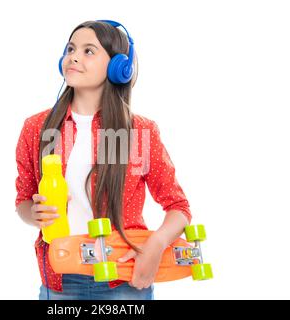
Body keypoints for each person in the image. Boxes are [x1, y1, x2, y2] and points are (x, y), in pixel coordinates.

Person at [15, 20, 192, 300]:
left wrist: (156, 245)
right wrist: (32, 213)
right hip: (60, 278)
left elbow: (178, 207)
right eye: (70, 48)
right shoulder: (37, 128)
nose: (73, 56)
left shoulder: (140, 132)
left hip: (124, 278)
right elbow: (23, 201)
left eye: (88, 51)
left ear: (117, 66)